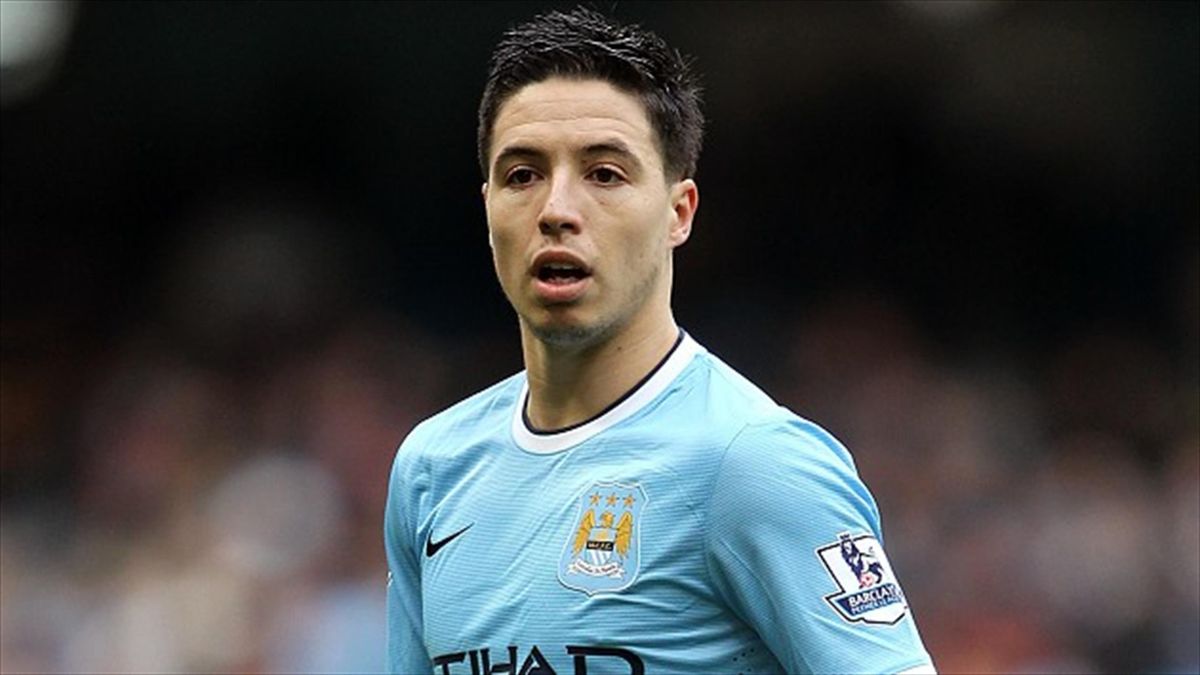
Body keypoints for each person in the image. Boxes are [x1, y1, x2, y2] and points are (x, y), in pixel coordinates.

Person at [385, 7, 935, 674]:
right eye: (523, 174)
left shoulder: (754, 463)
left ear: (678, 212)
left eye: (604, 174)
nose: (556, 210)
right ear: (488, 207)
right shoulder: (431, 467)